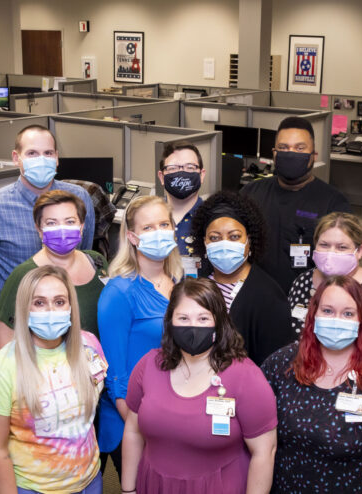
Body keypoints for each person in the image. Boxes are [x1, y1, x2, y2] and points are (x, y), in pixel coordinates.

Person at [261, 275, 362, 493]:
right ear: (313, 314)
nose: (336, 320)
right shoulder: (282, 364)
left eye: (348, 313)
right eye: (327, 311)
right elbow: (257, 429)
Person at [121, 277, 277, 494]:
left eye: (203, 318)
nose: (192, 327)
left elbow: (264, 452)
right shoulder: (148, 365)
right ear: (170, 321)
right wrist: (128, 489)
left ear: (219, 323)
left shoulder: (246, 377)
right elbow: (133, 431)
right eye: (183, 318)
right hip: (155, 484)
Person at [0, 265, 107, 494]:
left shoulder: (89, 345)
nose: (51, 311)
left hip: (90, 481)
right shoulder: (1, 370)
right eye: (39, 303)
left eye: (59, 302)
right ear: (25, 308)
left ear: (71, 306)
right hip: (34, 488)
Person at [0, 124, 96, 316]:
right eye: (32, 153)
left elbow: (83, 253)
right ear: (16, 158)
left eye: (48, 153)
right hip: (13, 316)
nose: (41, 160)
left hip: (66, 312)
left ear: (57, 158)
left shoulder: (80, 198)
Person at [97, 195, 184, 480]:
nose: (159, 232)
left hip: (172, 411)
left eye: (164, 224)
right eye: (148, 228)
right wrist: (142, 431)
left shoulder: (180, 283)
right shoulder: (119, 292)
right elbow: (115, 376)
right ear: (132, 237)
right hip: (133, 418)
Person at [240, 116, 351, 294]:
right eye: (284, 147)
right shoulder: (250, 194)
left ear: (313, 156)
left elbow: (342, 263)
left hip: (308, 297)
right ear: (274, 153)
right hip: (256, 294)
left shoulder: (333, 202)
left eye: (300, 148)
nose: (291, 153)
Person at [287, 212, 362, 367]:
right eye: (324, 245)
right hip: (303, 372)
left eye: (341, 247)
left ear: (359, 251)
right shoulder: (302, 283)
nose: (331, 253)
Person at [0, 190, 108, 350]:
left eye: (70, 221)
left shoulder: (97, 262)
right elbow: (5, 343)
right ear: (39, 230)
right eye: (52, 223)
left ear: (82, 226)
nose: (62, 230)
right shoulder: (24, 275)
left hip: (98, 360)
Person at [190, 191, 293, 365]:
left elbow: (274, 365)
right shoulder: (197, 284)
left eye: (234, 237)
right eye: (215, 238)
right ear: (204, 241)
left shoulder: (269, 296)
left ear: (249, 240)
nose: (224, 244)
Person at [156, 141, 206, 274]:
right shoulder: (147, 218)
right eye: (173, 168)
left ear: (202, 175)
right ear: (161, 177)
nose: (182, 172)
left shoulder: (213, 219)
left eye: (190, 167)